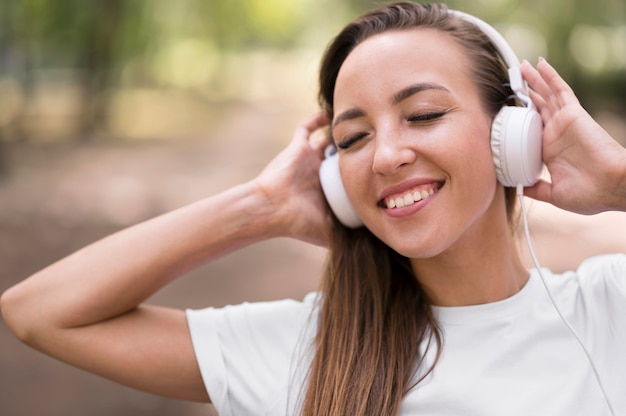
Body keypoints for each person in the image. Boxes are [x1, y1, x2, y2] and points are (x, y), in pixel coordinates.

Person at [1, 2, 625, 415]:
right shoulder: (311, 346)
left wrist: (618, 180)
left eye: (425, 114)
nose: (385, 156)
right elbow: (39, 313)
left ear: (511, 134)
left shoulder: (608, 308)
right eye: (352, 138)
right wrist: (260, 205)